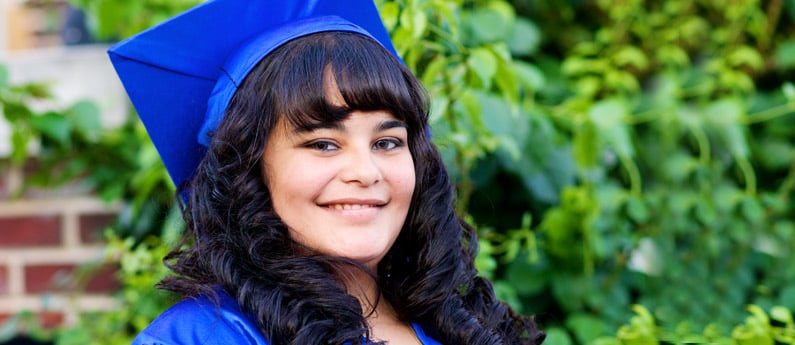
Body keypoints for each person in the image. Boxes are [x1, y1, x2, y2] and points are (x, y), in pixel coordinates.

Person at [109, 0, 545, 344]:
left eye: (387, 142)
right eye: (323, 144)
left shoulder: (458, 325)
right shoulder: (199, 338)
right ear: (249, 169)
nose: (366, 171)